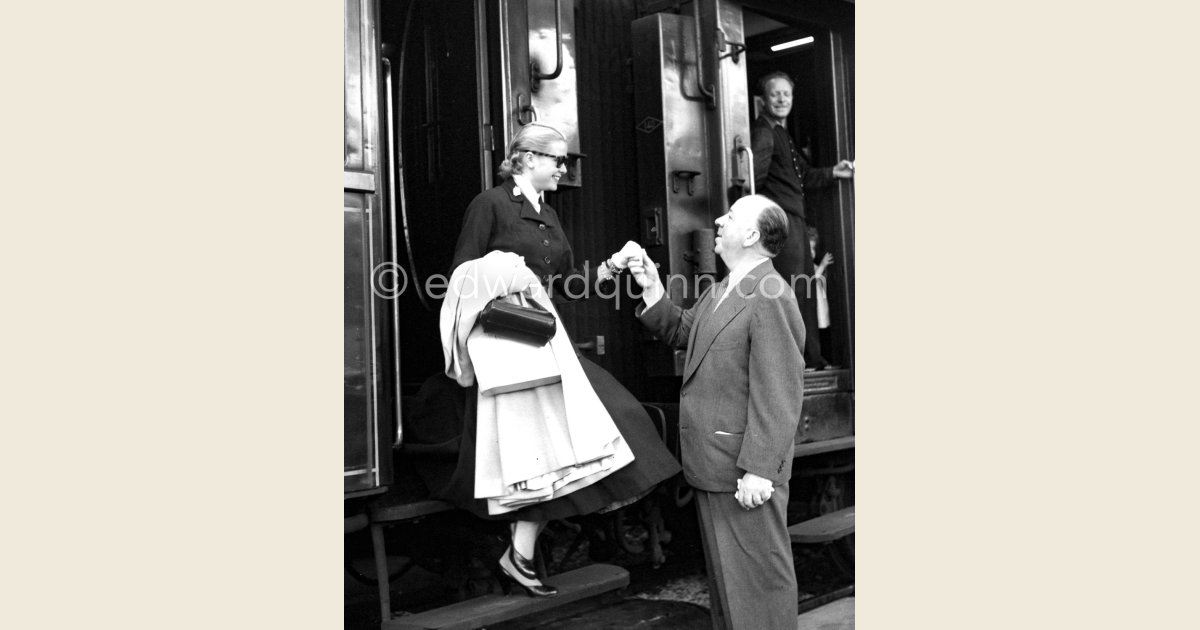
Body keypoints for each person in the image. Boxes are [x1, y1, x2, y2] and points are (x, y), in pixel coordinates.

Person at [427, 121, 680, 598]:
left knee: (586, 436)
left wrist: (611, 266)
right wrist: (510, 276)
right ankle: (518, 557)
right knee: (547, 450)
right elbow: (459, 277)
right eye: (556, 159)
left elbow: (566, 285)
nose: (563, 168)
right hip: (507, 344)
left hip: (545, 338)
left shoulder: (548, 213)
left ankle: (516, 556)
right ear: (526, 159)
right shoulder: (491, 204)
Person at [626, 195, 806, 630]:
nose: (720, 220)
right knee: (731, 593)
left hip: (743, 469)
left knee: (758, 590)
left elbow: (778, 390)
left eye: (732, 216)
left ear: (751, 235)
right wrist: (652, 286)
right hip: (714, 465)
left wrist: (760, 470)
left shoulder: (771, 294)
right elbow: (683, 331)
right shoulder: (721, 290)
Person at [751, 71, 853, 370]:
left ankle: (811, 359)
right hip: (780, 222)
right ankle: (800, 360)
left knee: (802, 288)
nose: (782, 99)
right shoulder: (764, 133)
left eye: (787, 94)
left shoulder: (781, 132)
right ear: (763, 99)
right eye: (775, 94)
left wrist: (835, 171)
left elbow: (804, 176)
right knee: (794, 289)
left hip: (792, 220)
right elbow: (752, 183)